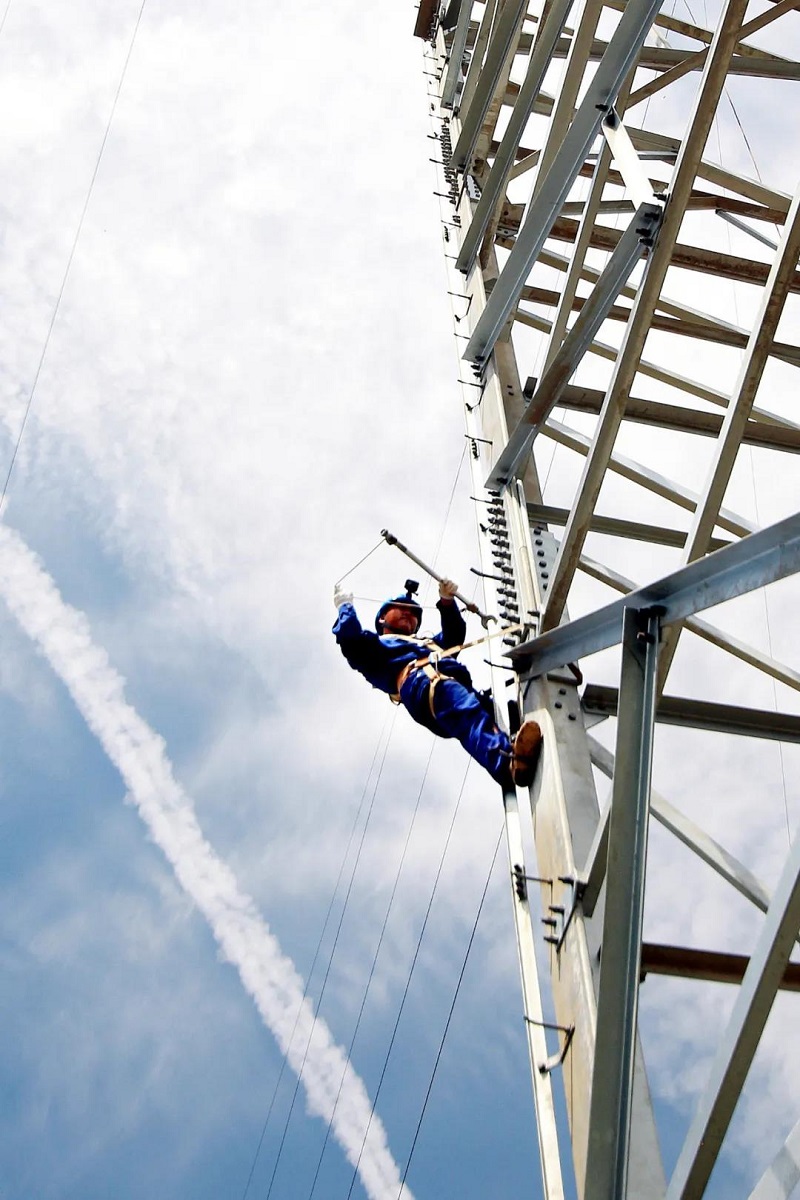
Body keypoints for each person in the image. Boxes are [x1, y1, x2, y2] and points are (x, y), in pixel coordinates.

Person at [332, 579, 542, 789]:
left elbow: (454, 635)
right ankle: (506, 763)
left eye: (413, 613)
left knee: (501, 710)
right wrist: (345, 607)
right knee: (466, 712)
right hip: (426, 684)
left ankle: (517, 745)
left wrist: (447, 601)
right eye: (401, 609)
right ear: (382, 619)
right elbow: (352, 641)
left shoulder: (427, 644)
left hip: (451, 685)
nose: (409, 614)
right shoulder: (380, 647)